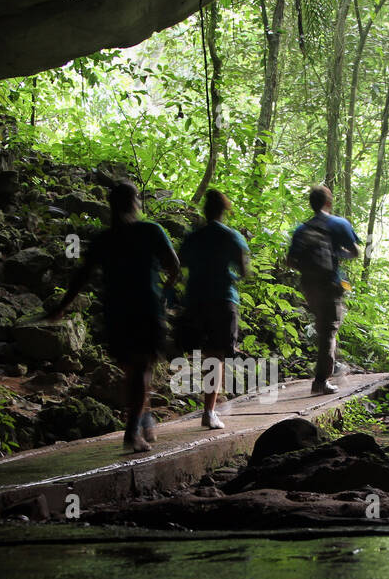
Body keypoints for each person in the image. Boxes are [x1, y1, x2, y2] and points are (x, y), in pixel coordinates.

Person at [46, 181, 179, 452]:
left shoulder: (103, 239)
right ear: (134, 203)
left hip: (116, 311)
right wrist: (165, 290)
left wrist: (62, 306)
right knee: (143, 368)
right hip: (145, 307)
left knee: (132, 369)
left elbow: (81, 276)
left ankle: (144, 418)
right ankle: (133, 433)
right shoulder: (151, 230)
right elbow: (174, 266)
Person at [177, 189, 251, 429]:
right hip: (222, 299)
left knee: (202, 351)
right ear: (224, 210)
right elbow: (243, 270)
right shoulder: (231, 236)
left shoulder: (193, 236)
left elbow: (181, 263)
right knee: (216, 355)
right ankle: (208, 412)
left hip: (196, 299)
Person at [286, 185, 361, 394]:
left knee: (324, 328)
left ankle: (330, 365)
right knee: (329, 331)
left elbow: (290, 260)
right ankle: (321, 381)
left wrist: (310, 270)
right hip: (330, 283)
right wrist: (338, 255)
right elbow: (356, 252)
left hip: (310, 285)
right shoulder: (339, 224)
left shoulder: (302, 229)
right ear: (328, 202)